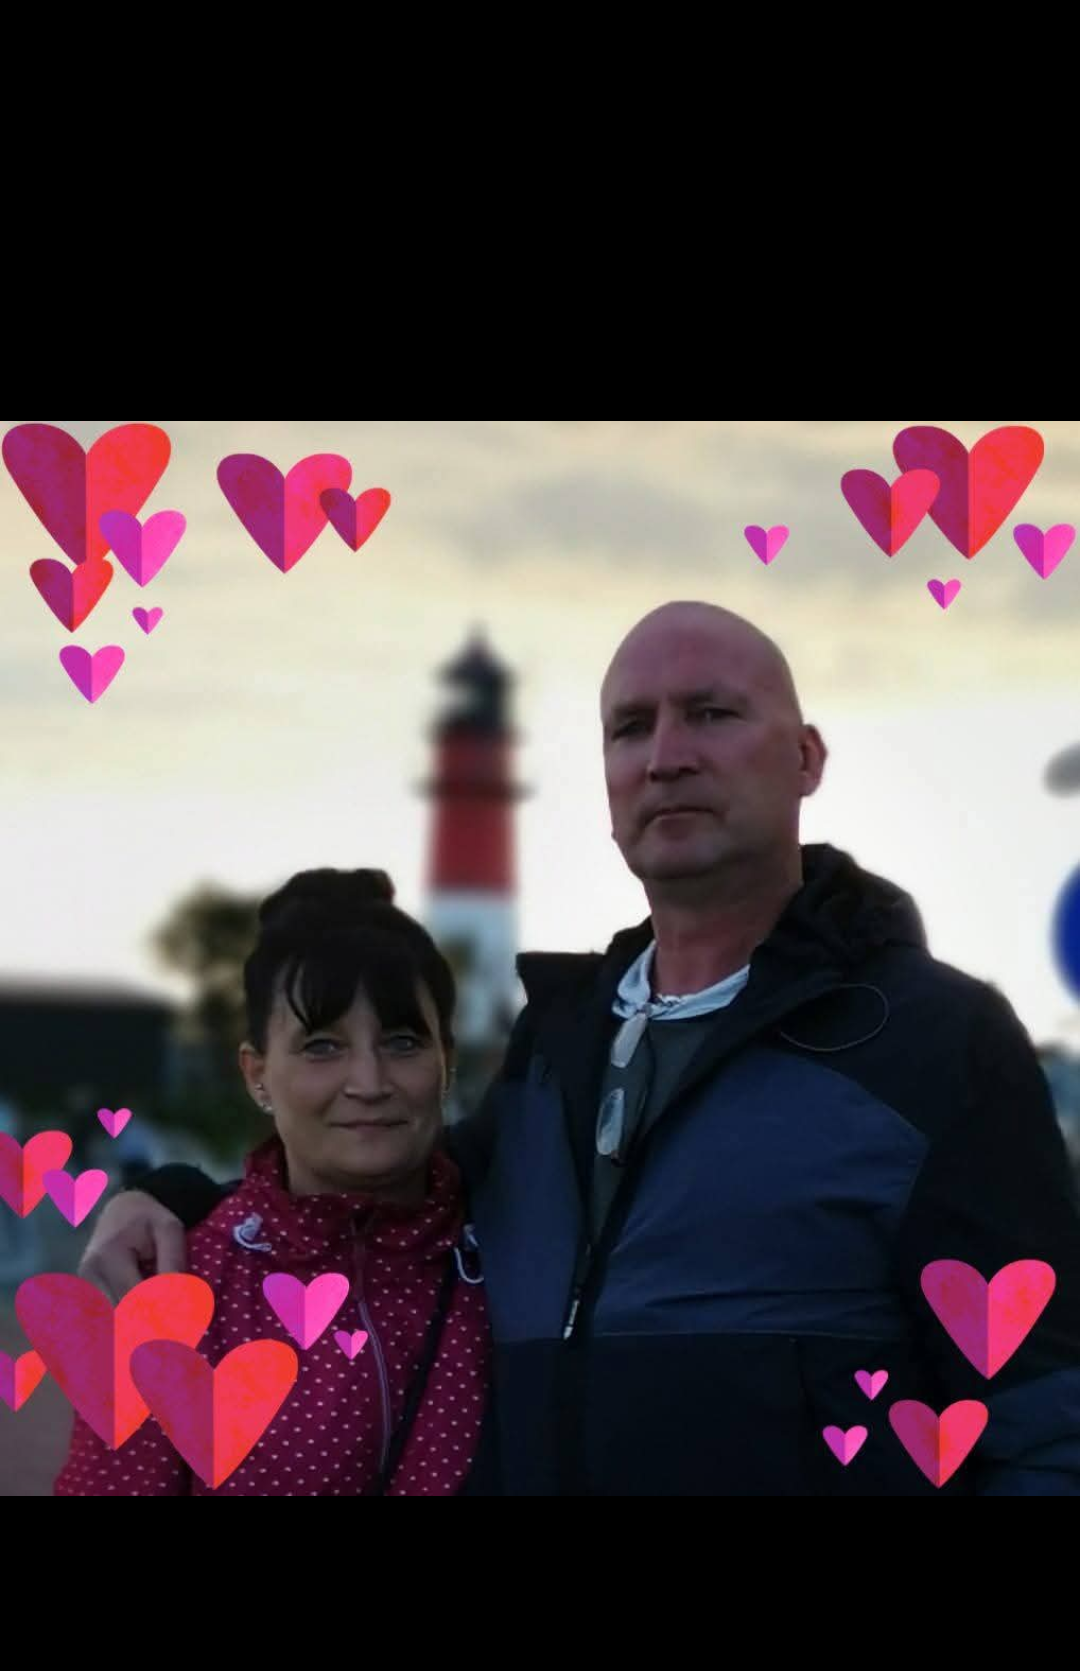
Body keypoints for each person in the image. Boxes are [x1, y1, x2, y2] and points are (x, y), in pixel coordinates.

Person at [79, 602, 1080, 1497]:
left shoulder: (936, 1041)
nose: (666, 756)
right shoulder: (557, 1042)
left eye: (712, 714)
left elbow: (1047, 1418)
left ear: (807, 759)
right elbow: (384, 1182)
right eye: (630, 727)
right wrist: (173, 1198)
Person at [54, 870, 490, 1496]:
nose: (368, 1082)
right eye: (322, 1047)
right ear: (257, 1073)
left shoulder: (522, 1243)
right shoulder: (175, 1284)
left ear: (446, 1059)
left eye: (402, 1042)